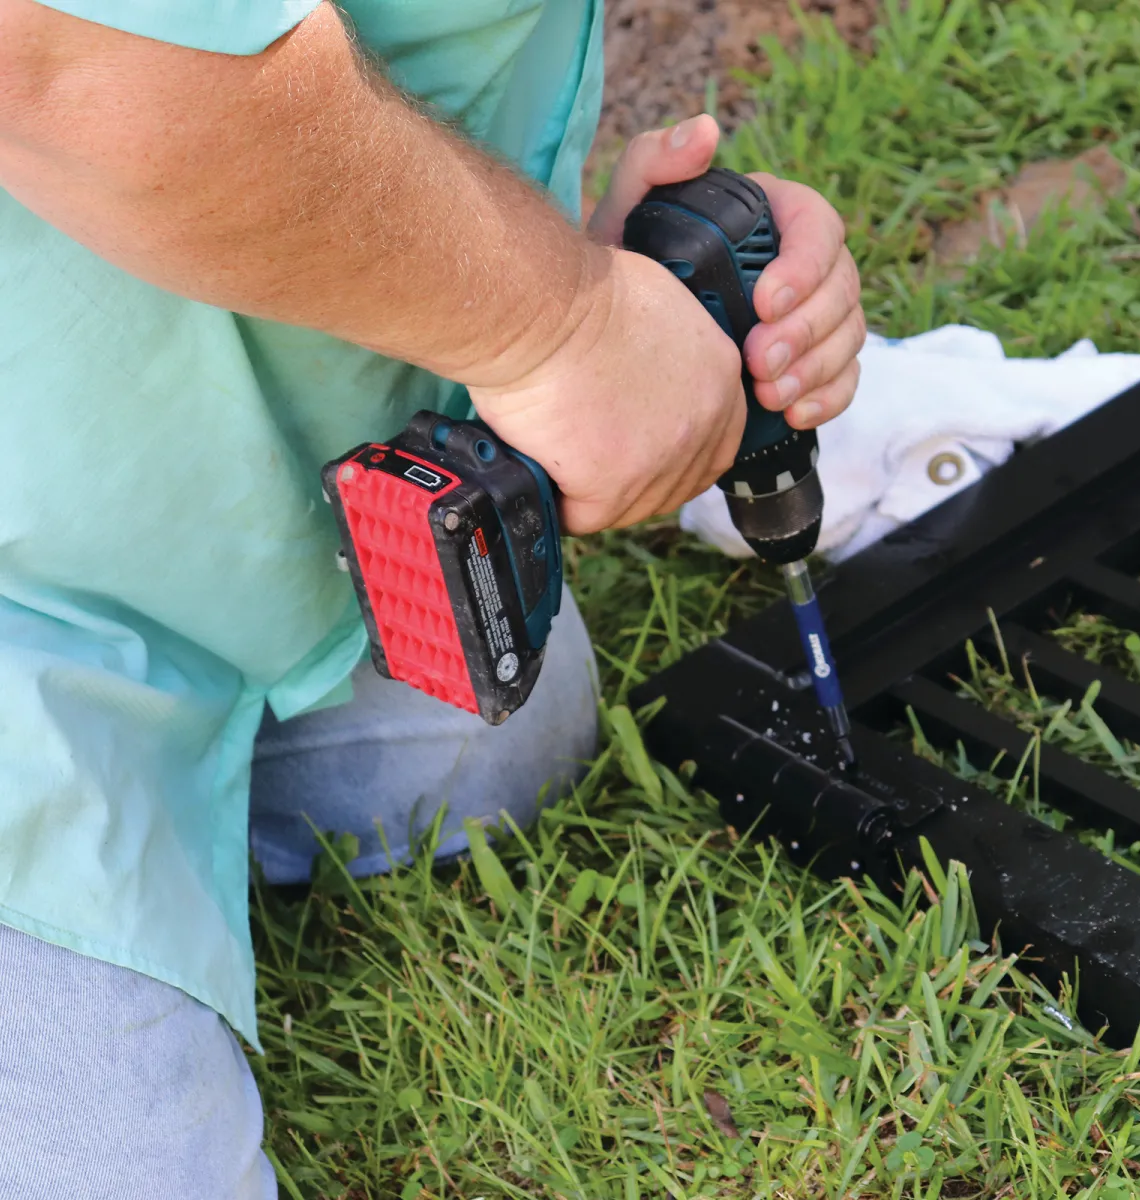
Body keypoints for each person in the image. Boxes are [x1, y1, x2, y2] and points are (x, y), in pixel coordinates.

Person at [0, 0, 866, 1194]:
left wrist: (582, 279)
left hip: (209, 504)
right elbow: (61, 61)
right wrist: (559, 328)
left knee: (499, 745)